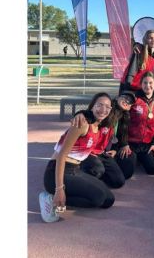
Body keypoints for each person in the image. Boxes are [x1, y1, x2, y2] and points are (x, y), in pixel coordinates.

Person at [39, 92, 119, 223]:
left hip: (75, 170)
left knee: (108, 200)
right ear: (92, 106)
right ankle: (52, 198)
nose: (103, 110)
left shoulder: (98, 127)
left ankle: (62, 194)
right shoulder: (82, 124)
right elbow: (61, 156)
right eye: (99, 105)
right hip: (57, 171)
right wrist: (59, 189)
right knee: (98, 198)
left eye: (107, 107)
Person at [71, 92, 136, 188]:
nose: (126, 101)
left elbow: (118, 137)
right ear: (118, 97)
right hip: (88, 151)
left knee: (118, 181)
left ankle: (97, 174)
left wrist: (116, 149)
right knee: (97, 169)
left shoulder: (123, 117)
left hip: (102, 152)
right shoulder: (107, 109)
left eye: (130, 102)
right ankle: (80, 173)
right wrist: (79, 114)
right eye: (125, 98)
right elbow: (89, 112)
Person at [115, 72, 154, 177]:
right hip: (130, 143)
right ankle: (125, 156)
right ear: (141, 84)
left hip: (147, 145)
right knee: (126, 173)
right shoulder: (134, 98)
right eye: (145, 83)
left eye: (151, 83)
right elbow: (123, 122)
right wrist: (124, 143)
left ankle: (141, 158)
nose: (148, 86)